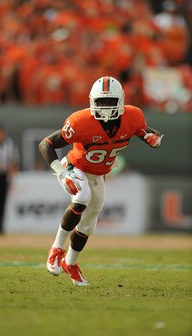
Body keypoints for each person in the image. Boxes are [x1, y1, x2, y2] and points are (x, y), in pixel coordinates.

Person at [39, 76, 163, 286]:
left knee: (88, 225)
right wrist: (61, 172)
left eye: (110, 101)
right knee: (82, 196)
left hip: (98, 174)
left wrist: (156, 140)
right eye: (101, 102)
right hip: (75, 167)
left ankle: (71, 263)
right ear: (92, 101)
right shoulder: (81, 121)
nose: (105, 107)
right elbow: (46, 144)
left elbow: (149, 133)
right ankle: (56, 248)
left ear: (121, 100)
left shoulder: (133, 117)